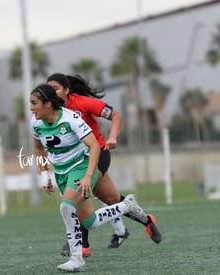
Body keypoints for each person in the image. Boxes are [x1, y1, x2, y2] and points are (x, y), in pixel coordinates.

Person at [30, 84, 149, 272]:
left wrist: (88, 177)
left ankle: (76, 259)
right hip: (61, 172)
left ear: (47, 103)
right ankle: (127, 205)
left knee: (66, 207)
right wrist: (45, 174)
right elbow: (38, 148)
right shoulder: (35, 122)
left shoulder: (71, 119)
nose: (31, 107)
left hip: (82, 165)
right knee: (90, 222)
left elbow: (94, 146)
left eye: (34, 103)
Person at [46, 73, 161, 257]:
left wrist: (113, 137)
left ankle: (82, 245)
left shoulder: (82, 103)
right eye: (48, 88)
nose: (51, 92)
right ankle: (146, 219)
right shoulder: (49, 110)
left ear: (67, 90)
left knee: (77, 192)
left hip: (98, 153)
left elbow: (115, 115)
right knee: (113, 199)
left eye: (56, 88)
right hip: (76, 159)